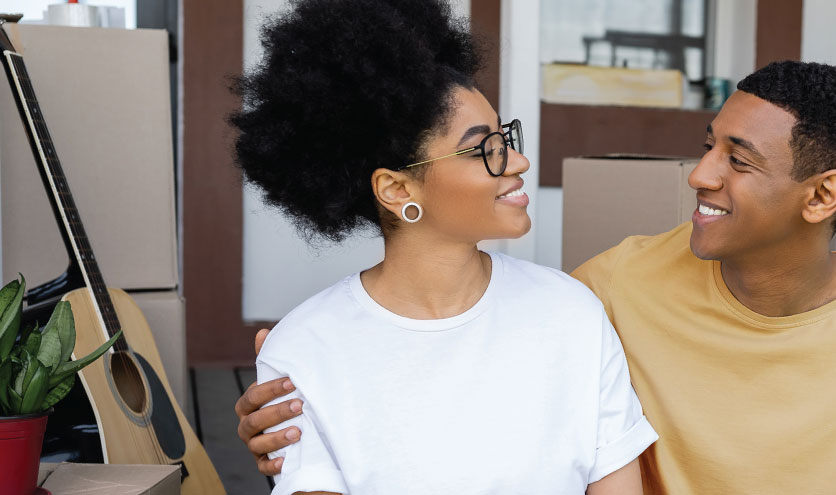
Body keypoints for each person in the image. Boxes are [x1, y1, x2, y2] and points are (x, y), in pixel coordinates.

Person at [237, 60, 836, 493]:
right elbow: (460, 339)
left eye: (738, 161)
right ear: (397, 187)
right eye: (707, 145)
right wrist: (300, 376)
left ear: (822, 196)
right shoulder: (610, 289)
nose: (700, 173)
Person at [228, 0, 655, 493]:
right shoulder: (304, 349)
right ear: (398, 189)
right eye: (485, 149)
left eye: (505, 137)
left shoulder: (572, 316)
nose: (517, 161)